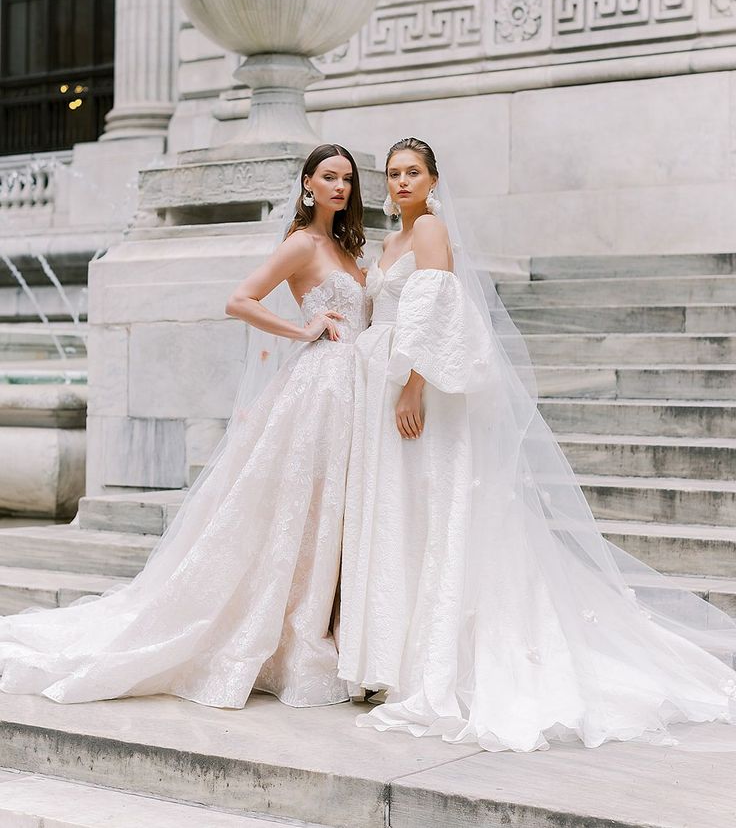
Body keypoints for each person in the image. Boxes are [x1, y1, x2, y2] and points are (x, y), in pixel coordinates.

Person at [339, 137, 736, 753]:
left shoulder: (431, 234)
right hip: (385, 389)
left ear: (434, 178)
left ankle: (437, 658)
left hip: (422, 393)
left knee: (438, 511)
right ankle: (395, 654)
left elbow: (436, 317)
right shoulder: (393, 241)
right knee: (408, 516)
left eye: (412, 172)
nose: (399, 183)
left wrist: (412, 386)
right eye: (392, 174)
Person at [0, 143, 368, 709]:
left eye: (346, 178)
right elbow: (238, 300)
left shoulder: (348, 246)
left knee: (329, 509)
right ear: (307, 184)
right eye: (328, 177)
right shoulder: (302, 243)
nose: (339, 187)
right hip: (318, 387)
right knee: (303, 505)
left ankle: (331, 622)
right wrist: (303, 330)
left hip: (354, 391)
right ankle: (285, 632)